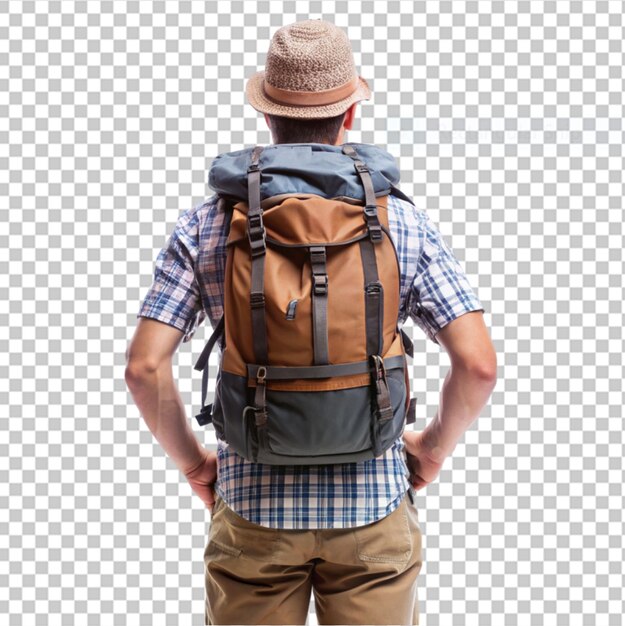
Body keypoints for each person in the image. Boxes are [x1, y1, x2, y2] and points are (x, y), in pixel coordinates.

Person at [125, 18, 497, 626]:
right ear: (350, 113)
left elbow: (143, 368)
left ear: (268, 117)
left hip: (252, 511)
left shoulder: (209, 223)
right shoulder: (401, 224)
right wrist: (428, 453)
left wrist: (196, 467)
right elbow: (479, 365)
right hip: (373, 509)